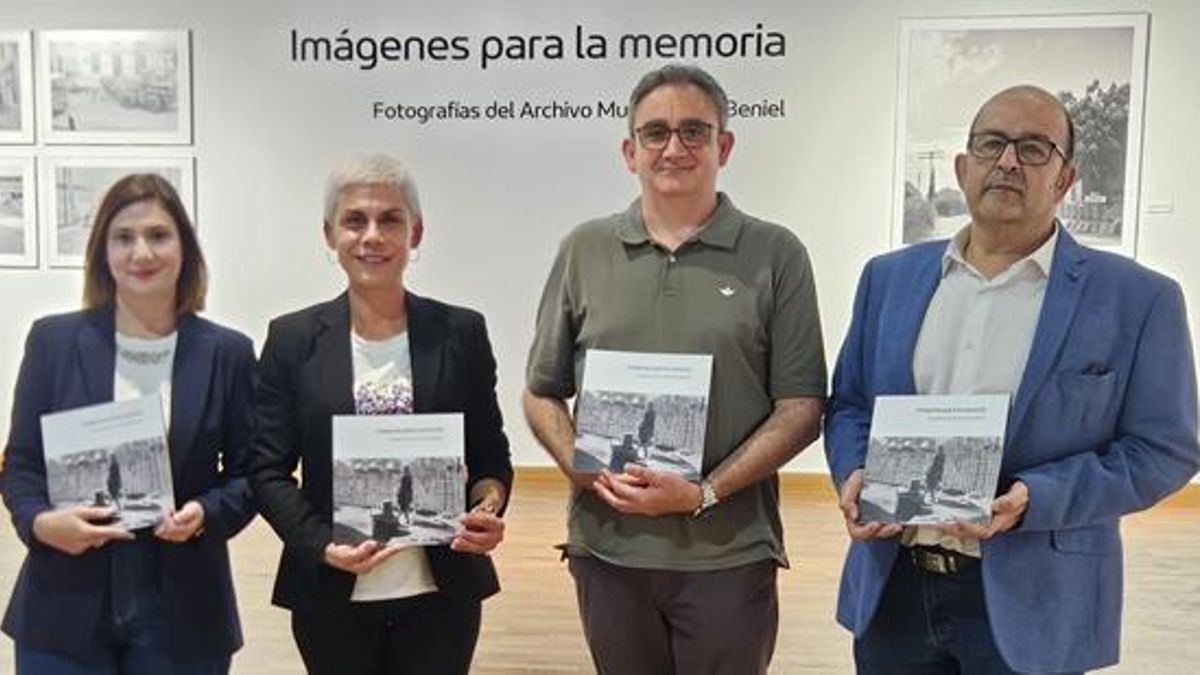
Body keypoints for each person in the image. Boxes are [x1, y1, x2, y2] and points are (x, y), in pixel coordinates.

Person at [825, 85, 1200, 674]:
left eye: (1033, 149)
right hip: (892, 591)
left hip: (1038, 603)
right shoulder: (887, 279)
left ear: (1065, 179)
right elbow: (848, 404)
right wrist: (851, 471)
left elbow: (1165, 450)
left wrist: (1035, 499)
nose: (1007, 161)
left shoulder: (1138, 299)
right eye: (992, 144)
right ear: (962, 165)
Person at [524, 63, 826, 675]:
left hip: (728, 554)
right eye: (655, 132)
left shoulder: (778, 254)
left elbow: (801, 408)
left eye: (694, 131)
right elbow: (541, 392)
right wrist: (583, 472)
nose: (674, 147)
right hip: (607, 550)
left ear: (725, 145)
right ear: (629, 150)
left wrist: (705, 492)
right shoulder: (584, 249)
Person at [248, 154, 512, 675]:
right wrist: (321, 546)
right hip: (330, 595)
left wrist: (489, 506)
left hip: (442, 593)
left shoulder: (460, 333)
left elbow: (488, 454)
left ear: (416, 232)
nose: (372, 235)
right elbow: (265, 469)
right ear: (330, 234)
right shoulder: (292, 339)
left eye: (390, 219)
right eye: (355, 220)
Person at [1, 174, 257, 674]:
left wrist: (204, 512)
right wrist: (39, 522)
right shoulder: (53, 342)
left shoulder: (227, 352)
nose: (142, 252)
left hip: (184, 605)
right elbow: (22, 465)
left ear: (185, 250)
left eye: (159, 235)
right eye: (124, 237)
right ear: (103, 251)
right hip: (64, 598)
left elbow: (252, 474)